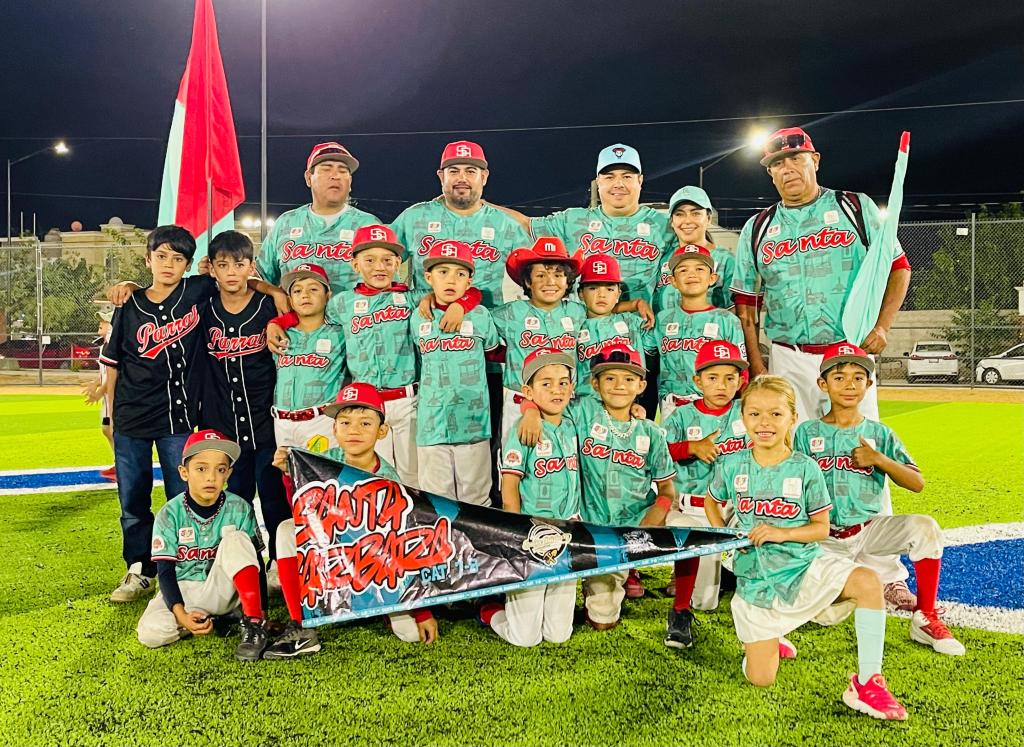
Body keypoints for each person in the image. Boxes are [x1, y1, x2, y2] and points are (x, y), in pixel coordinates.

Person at [730, 126, 914, 607]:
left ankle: (886, 570)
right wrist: (757, 364)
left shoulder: (854, 208)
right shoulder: (759, 228)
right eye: (777, 165)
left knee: (863, 455)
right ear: (770, 173)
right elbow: (747, 304)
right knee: (794, 458)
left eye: (796, 160)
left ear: (816, 160)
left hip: (847, 355)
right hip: (788, 355)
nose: (788, 170)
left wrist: (884, 326)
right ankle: (811, 562)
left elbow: (897, 267)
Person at [706, 375, 908, 721]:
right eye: (754, 415)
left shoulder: (806, 469)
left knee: (867, 582)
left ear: (792, 419)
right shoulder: (731, 465)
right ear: (743, 418)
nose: (764, 423)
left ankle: (868, 681)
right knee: (762, 679)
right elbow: (713, 501)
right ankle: (768, 641)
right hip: (758, 582)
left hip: (803, 567)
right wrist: (724, 535)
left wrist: (780, 534)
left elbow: (820, 529)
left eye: (775, 414)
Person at [793, 343, 965, 655]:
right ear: (822, 384)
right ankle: (832, 594)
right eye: (839, 377)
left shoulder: (879, 433)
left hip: (868, 530)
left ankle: (925, 617)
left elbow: (917, 482)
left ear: (869, 385)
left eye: (858, 377)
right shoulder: (805, 433)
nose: (849, 384)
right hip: (824, 538)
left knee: (924, 527)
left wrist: (880, 460)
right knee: (823, 615)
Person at [97, 226, 221, 602]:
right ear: (148, 258)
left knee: (182, 493)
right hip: (131, 416)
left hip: (178, 417)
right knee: (132, 497)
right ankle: (139, 567)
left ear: (187, 264)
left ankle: (186, 565)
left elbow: (241, 282)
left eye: (178, 258)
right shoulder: (129, 305)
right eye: (162, 256)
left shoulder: (197, 291)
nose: (169, 264)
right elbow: (113, 363)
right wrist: (109, 417)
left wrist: (272, 291)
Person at [268, 383, 438, 657]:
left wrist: (421, 611)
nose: (354, 430)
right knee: (287, 529)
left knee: (409, 635)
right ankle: (300, 623)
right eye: (345, 422)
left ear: (382, 431)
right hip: (331, 560)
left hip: (372, 565)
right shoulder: (321, 461)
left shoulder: (388, 478)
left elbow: (402, 546)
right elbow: (302, 512)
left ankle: (380, 607)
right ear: (333, 428)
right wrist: (289, 476)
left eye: (365, 423)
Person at [136, 430, 269, 662]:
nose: (211, 477)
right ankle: (218, 621)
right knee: (150, 633)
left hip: (224, 587)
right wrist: (181, 614)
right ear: (184, 472)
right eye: (201, 468)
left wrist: (263, 611)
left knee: (236, 538)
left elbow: (256, 562)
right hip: (184, 590)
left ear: (228, 473)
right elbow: (165, 571)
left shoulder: (239, 507)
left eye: (220, 469)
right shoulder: (170, 513)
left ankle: (253, 620)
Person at [198, 231, 289, 572]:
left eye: (240, 264)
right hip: (223, 424)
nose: (232, 272)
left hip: (266, 421)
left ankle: (282, 564)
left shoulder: (269, 306)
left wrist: (274, 289)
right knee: (235, 500)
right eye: (223, 265)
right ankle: (247, 561)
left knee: (274, 496)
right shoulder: (203, 306)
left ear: (252, 266)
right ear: (212, 269)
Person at [569, 342, 676, 626]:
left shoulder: (650, 432)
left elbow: (667, 488)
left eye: (629, 379)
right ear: (595, 383)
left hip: (629, 526)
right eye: (610, 378)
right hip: (586, 525)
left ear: (641, 386)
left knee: (603, 621)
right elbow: (548, 398)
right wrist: (529, 410)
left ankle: (622, 573)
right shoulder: (583, 415)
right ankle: (598, 577)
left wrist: (653, 518)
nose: (619, 386)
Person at [481, 348, 581, 647]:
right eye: (546, 383)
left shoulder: (572, 424)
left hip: (568, 533)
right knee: (525, 639)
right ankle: (489, 611)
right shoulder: (522, 430)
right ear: (528, 390)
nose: (557, 390)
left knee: (559, 634)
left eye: (563, 382)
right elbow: (509, 486)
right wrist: (517, 529)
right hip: (532, 534)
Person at [660, 340, 749, 648]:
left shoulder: (747, 411)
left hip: (736, 507)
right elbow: (656, 452)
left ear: (740, 381)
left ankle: (761, 596)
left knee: (767, 523)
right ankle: (681, 610)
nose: (721, 385)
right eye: (712, 378)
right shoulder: (683, 416)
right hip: (694, 507)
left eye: (729, 377)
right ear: (697, 381)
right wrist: (691, 448)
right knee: (703, 600)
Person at [413, 240, 501, 505]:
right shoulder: (417, 315)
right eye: (443, 272)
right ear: (428, 277)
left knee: (477, 500)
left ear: (470, 280)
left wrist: (465, 304)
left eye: (460, 273)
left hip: (472, 422)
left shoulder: (482, 315)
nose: (451, 279)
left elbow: (494, 352)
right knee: (436, 501)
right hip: (431, 423)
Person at [491, 237, 586, 447]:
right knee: (514, 464)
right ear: (527, 281)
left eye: (558, 275)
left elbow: (605, 313)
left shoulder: (578, 312)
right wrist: (461, 304)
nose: (550, 282)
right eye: (540, 275)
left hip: (564, 400)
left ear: (568, 280)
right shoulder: (511, 313)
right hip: (519, 401)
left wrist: (633, 304)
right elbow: (475, 319)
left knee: (562, 464)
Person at [256, 142, 380, 294]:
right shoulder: (285, 223)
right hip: (295, 317)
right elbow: (259, 276)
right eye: (326, 169)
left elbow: (387, 286)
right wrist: (275, 293)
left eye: (343, 171)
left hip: (352, 317)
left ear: (350, 182)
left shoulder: (369, 226)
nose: (335, 176)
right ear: (309, 178)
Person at [652, 245, 744, 422]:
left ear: (712, 278)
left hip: (714, 406)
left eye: (700, 269)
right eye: (683, 269)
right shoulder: (662, 320)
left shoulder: (726, 320)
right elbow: (648, 361)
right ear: (673, 281)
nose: (691, 274)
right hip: (673, 405)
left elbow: (741, 372)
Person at [271, 263, 348, 453]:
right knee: (288, 478)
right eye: (297, 291)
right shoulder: (280, 333)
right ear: (290, 299)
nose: (304, 295)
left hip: (321, 419)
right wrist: (275, 323)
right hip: (282, 421)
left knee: (322, 479)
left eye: (313, 289)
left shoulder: (339, 333)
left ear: (328, 295)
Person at [574, 253, 655, 401]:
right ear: (580, 293)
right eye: (593, 288)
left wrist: (636, 304)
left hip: (625, 401)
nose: (601, 295)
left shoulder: (631, 322)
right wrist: (632, 304)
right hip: (585, 404)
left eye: (609, 289)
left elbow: (655, 342)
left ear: (619, 293)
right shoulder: (574, 324)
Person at [654, 185, 735, 312]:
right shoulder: (663, 259)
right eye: (679, 214)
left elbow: (735, 313)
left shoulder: (726, 260)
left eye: (696, 213)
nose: (687, 221)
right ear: (672, 222)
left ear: (708, 218)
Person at [82, 302, 116, 481]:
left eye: (104, 321)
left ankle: (123, 465)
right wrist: (95, 384)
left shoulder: (112, 344)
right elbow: (104, 372)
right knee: (107, 428)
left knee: (111, 429)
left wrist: (99, 390)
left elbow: (114, 374)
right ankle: (119, 463)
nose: (100, 324)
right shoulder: (105, 345)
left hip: (114, 396)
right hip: (107, 395)